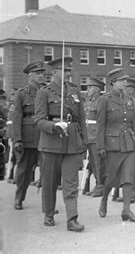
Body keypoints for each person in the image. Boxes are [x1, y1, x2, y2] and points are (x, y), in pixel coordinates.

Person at [35, 57, 87, 232]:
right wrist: (53, 126)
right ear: (55, 72)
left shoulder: (74, 91)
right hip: (51, 143)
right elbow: (39, 120)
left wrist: (84, 142)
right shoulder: (44, 92)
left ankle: (72, 219)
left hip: (72, 142)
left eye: (69, 70)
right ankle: (49, 213)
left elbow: (81, 119)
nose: (68, 73)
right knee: (49, 181)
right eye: (65, 70)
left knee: (71, 182)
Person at [97, 68, 135, 222]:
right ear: (113, 82)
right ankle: (104, 200)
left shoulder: (129, 100)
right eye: (122, 80)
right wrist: (100, 146)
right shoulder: (105, 100)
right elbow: (100, 125)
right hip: (112, 144)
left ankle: (126, 210)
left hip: (128, 142)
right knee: (111, 178)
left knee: (128, 176)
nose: (125, 83)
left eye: (125, 80)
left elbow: (134, 122)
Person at [11, 61, 44, 209]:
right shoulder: (21, 93)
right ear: (30, 76)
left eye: (42, 73)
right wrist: (17, 139)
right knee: (23, 171)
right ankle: (19, 198)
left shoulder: (46, 91)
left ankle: (47, 204)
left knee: (48, 171)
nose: (41, 76)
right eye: (38, 73)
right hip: (28, 138)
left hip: (44, 137)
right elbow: (17, 117)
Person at [113, 78, 135, 203]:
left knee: (133, 168)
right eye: (127, 88)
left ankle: (133, 194)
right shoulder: (118, 102)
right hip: (119, 138)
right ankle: (120, 192)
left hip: (131, 138)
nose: (129, 91)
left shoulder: (134, 104)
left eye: (131, 89)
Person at [84, 78, 106, 197]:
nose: (88, 90)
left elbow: (101, 122)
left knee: (98, 163)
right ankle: (97, 183)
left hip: (96, 136)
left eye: (90, 87)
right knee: (92, 162)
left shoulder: (100, 102)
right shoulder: (89, 102)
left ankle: (100, 185)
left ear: (97, 89)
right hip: (89, 136)